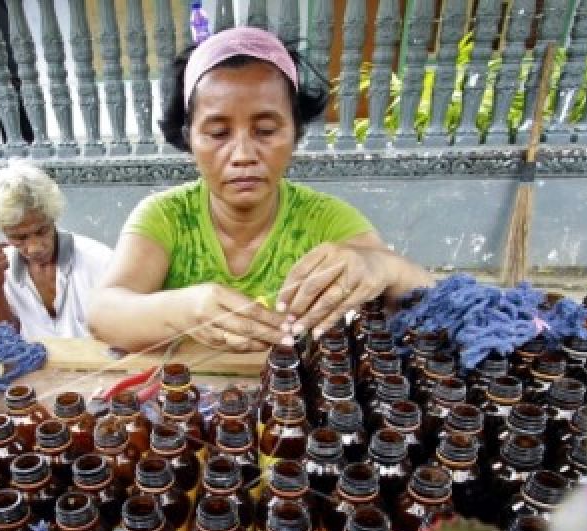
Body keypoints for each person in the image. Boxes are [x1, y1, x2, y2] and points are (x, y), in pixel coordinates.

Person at [87, 27, 431, 353]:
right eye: (218, 134)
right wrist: (187, 308)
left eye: (265, 130)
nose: (243, 156)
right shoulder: (165, 217)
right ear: (189, 137)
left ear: (295, 131)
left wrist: (384, 267)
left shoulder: (326, 220)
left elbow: (432, 298)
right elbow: (103, 313)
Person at [0, 161, 114, 339]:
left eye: (41, 231)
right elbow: (1, 341)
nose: (34, 248)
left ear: (53, 219)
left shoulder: (100, 261)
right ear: (3, 231)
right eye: (19, 238)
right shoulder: (3, 268)